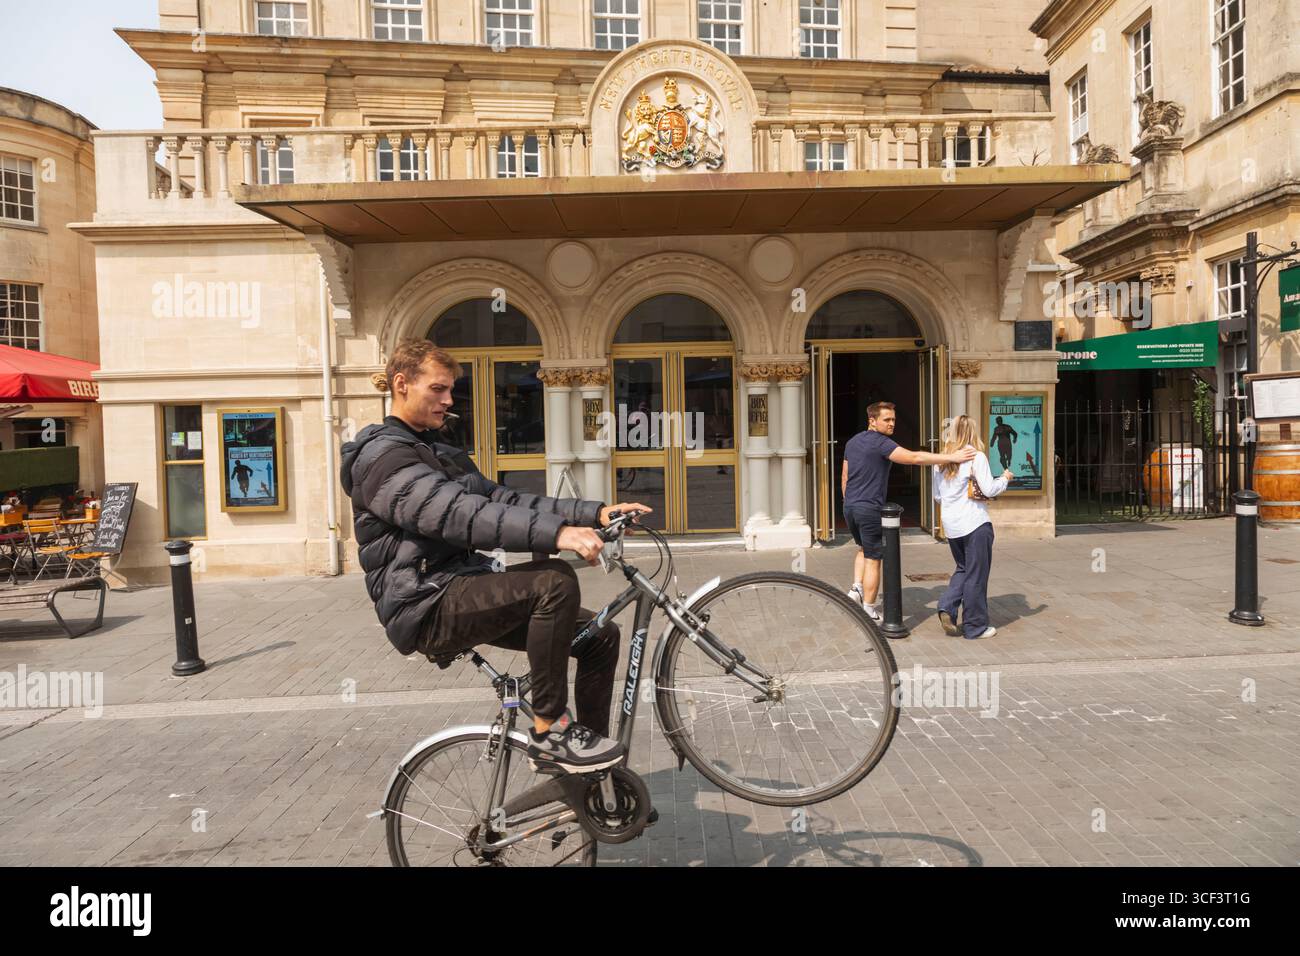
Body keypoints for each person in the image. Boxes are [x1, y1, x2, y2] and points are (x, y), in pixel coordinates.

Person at [340, 340, 652, 774]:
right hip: (426, 603)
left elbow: (502, 498)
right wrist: (558, 535)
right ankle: (550, 730)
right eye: (438, 389)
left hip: (461, 583)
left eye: (451, 390)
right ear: (401, 384)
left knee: (599, 636)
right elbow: (458, 514)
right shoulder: (383, 458)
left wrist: (595, 513)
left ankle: (589, 771)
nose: (449, 400)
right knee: (553, 581)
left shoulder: (438, 452)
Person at [842, 401, 975, 626]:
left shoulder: (853, 441)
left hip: (850, 507)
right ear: (872, 421)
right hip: (869, 508)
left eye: (893, 419)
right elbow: (914, 458)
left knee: (864, 548)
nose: (892, 423)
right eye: (887, 420)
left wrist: (849, 499)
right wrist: (952, 457)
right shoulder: (881, 443)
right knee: (874, 558)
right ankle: (869, 610)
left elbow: (845, 475)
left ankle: (857, 587)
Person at [932, 414, 1013, 640]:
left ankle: (947, 607)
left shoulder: (940, 461)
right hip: (975, 523)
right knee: (976, 574)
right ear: (972, 433)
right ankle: (975, 626)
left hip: (952, 525)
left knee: (963, 568)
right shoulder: (977, 457)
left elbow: (937, 496)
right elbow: (988, 490)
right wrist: (1005, 478)